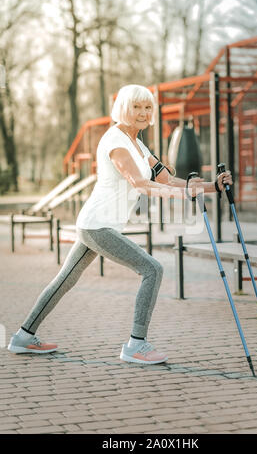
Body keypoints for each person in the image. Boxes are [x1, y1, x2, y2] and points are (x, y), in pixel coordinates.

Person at [7, 84, 232, 364]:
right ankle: (136, 345)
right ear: (123, 108)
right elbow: (139, 183)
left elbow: (164, 179)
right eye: (136, 106)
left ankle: (23, 337)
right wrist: (185, 193)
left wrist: (212, 187)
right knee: (152, 269)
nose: (142, 112)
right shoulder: (115, 140)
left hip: (99, 225)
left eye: (147, 107)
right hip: (98, 225)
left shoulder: (138, 143)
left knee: (65, 280)